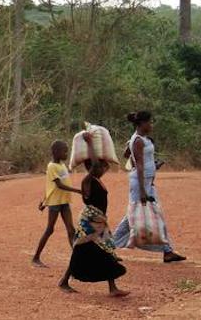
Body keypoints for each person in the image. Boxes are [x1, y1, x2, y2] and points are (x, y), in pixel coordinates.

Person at [58, 132, 129, 297]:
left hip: (98, 220)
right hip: (90, 221)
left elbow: (96, 165)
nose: (104, 169)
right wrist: (90, 143)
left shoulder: (96, 181)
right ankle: (64, 281)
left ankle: (112, 287)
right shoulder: (88, 180)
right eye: (102, 167)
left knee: (107, 249)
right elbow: (95, 164)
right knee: (86, 251)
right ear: (93, 167)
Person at [113, 111, 186, 263]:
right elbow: (138, 165)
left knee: (146, 215)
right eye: (149, 122)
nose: (151, 125)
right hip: (141, 184)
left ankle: (167, 251)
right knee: (132, 218)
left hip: (146, 183)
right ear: (142, 124)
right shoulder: (138, 140)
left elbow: (130, 157)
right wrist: (142, 191)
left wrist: (153, 166)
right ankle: (108, 247)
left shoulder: (142, 139)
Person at [32, 140, 80, 268]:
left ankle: (78, 260)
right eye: (65, 151)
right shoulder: (52, 166)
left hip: (64, 201)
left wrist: (43, 200)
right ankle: (36, 257)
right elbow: (57, 185)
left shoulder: (62, 165)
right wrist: (78, 191)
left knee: (71, 230)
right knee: (50, 229)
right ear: (56, 152)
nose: (67, 153)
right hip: (55, 203)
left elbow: (50, 185)